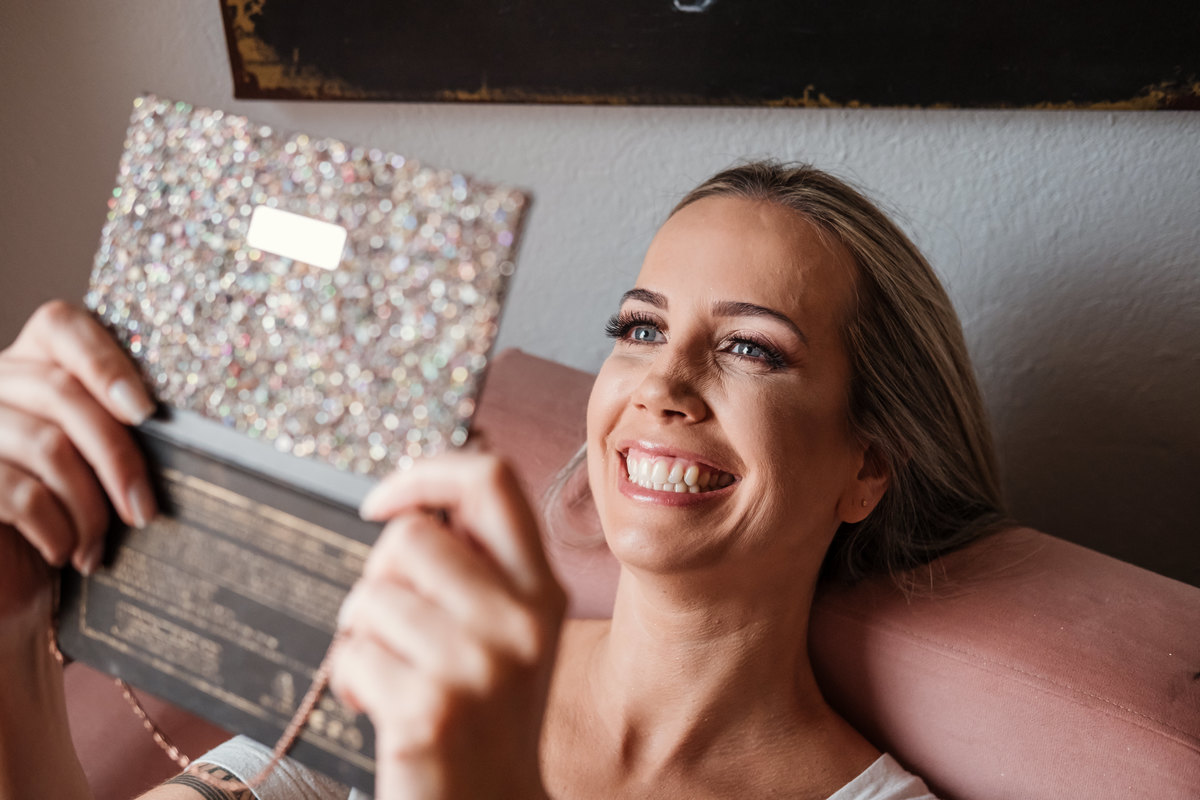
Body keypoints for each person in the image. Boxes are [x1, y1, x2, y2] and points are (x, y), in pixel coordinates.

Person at [0, 161, 1006, 799]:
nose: (664, 380)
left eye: (751, 347)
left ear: (867, 465)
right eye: (641, 328)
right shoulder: (412, 664)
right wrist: (12, 643)